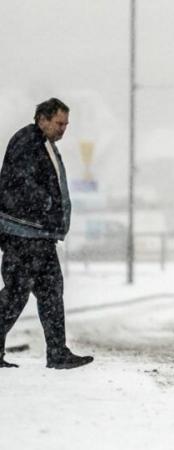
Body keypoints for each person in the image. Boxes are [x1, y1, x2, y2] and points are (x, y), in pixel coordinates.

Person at [0, 98, 93, 369]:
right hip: (23, 235)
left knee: (49, 292)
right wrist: (47, 204)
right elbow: (19, 181)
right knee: (19, 293)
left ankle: (57, 352)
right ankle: (57, 352)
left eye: (66, 124)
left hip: (37, 235)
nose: (64, 129)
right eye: (59, 123)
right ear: (42, 119)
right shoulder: (28, 142)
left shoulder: (41, 143)